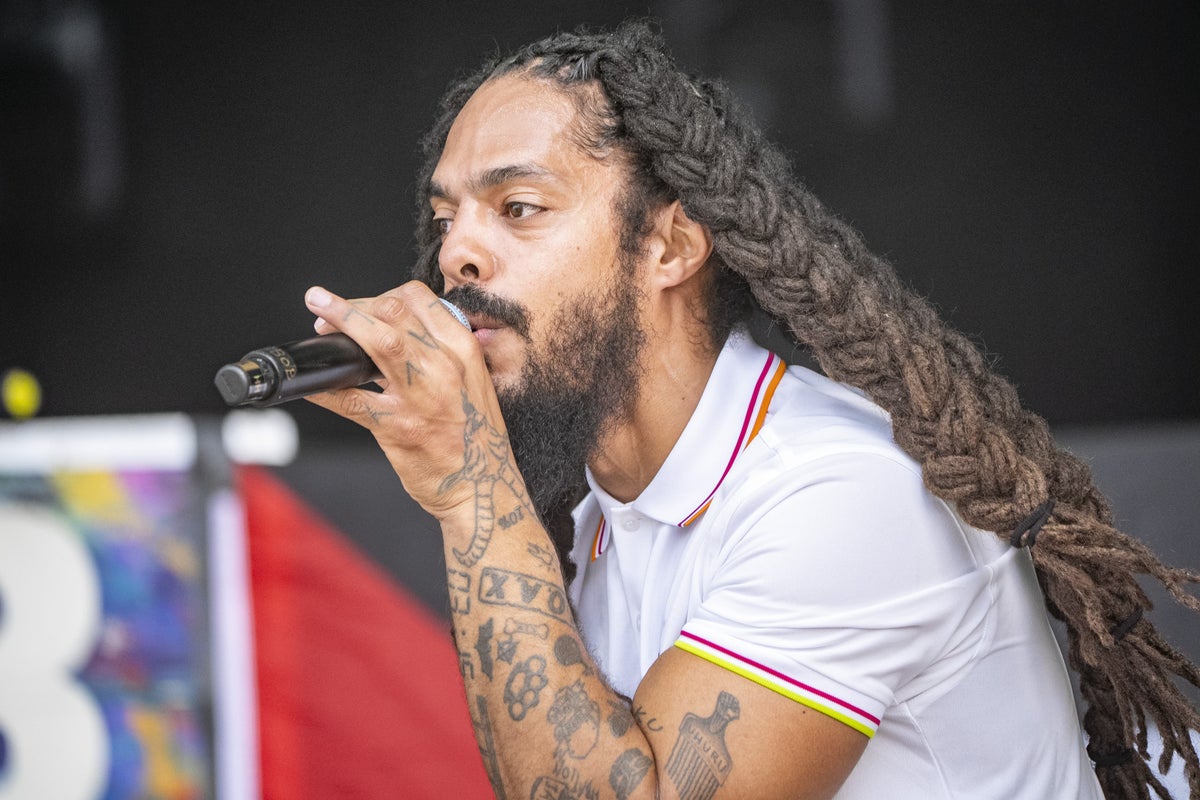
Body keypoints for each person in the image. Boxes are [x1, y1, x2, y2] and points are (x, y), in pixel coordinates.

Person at [302, 21, 1200, 799]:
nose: (456, 253)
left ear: (669, 246)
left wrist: (473, 494)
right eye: (447, 219)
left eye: (519, 207)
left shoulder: (841, 492)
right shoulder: (603, 510)